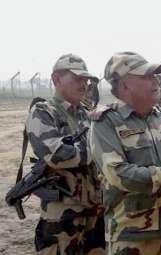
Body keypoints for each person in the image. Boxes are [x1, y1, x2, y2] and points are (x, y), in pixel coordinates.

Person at [90, 51, 161, 255]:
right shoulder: (106, 122)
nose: (156, 81)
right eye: (146, 77)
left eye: (155, 76)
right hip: (131, 236)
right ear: (125, 85)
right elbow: (117, 174)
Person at [26, 54, 105, 255]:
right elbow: (59, 155)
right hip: (62, 214)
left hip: (94, 209)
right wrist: (99, 145)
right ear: (56, 79)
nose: (84, 85)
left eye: (86, 80)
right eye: (77, 79)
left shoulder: (86, 113)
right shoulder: (43, 112)